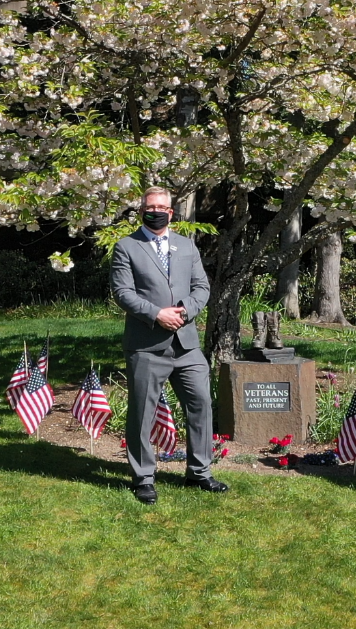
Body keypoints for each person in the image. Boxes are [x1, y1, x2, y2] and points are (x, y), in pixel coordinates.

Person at [110, 186, 228, 504]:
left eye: (162, 206)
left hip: (187, 344)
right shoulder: (126, 247)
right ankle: (143, 478)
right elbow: (122, 292)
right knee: (142, 414)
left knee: (201, 405)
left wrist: (186, 311)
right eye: (151, 206)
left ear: (171, 212)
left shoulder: (186, 246)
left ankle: (199, 472)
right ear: (141, 211)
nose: (157, 210)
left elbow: (202, 286)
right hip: (146, 345)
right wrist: (156, 314)